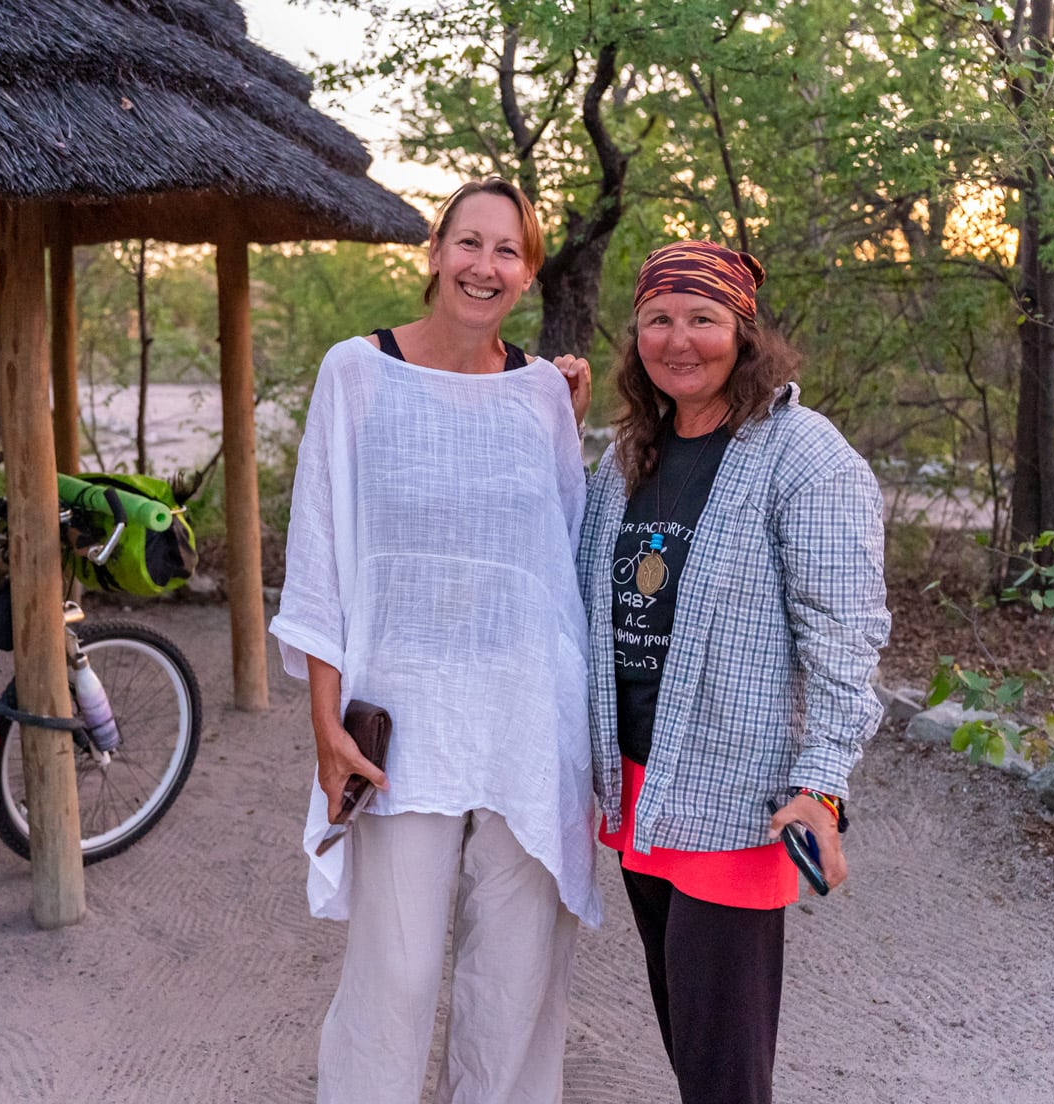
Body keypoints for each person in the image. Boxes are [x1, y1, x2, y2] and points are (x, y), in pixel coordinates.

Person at [270, 178, 597, 1104]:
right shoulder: (356, 372)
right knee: (397, 970)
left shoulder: (540, 397)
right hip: (402, 718)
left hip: (528, 718)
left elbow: (556, 559)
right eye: (469, 243)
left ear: (528, 274)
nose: (483, 266)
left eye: (507, 251)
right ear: (435, 253)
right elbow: (322, 557)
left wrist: (561, 414)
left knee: (516, 974)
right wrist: (323, 727)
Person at [579, 239, 892, 1104]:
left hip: (737, 796)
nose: (681, 339)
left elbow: (846, 636)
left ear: (744, 332)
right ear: (636, 335)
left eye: (704, 319)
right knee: (688, 1032)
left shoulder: (804, 457)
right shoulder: (626, 455)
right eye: (659, 319)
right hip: (641, 787)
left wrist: (820, 781)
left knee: (722, 1064)